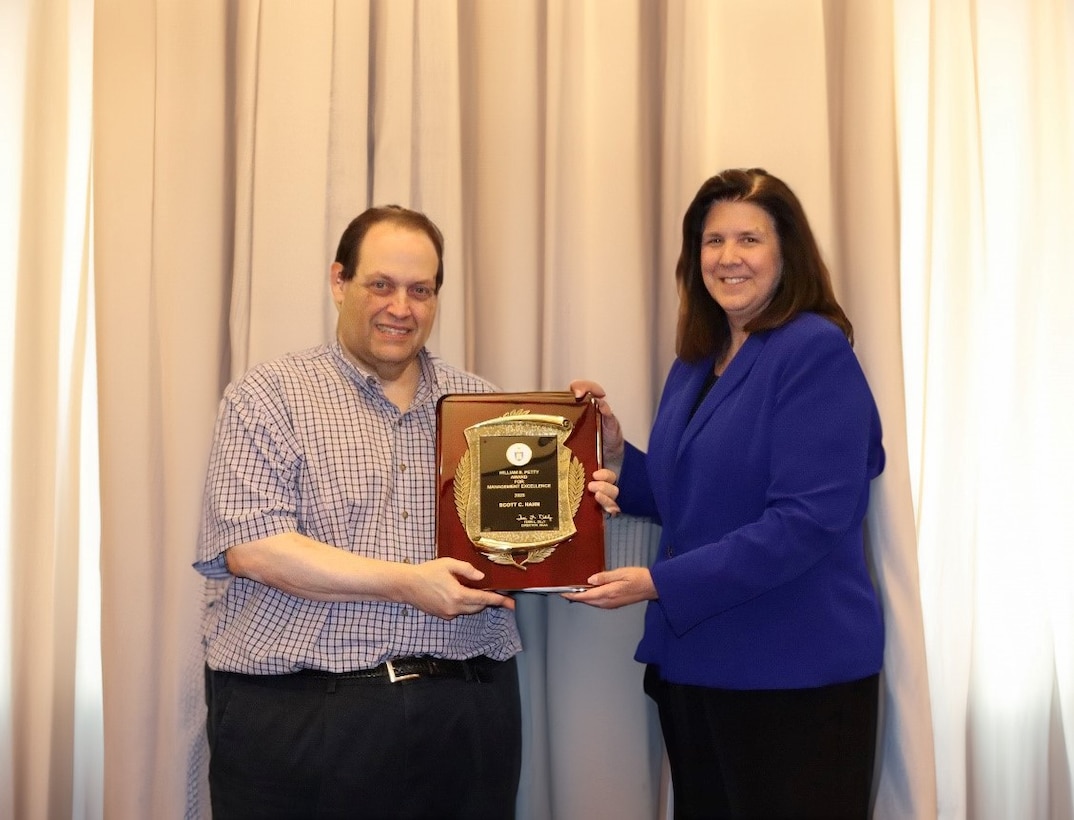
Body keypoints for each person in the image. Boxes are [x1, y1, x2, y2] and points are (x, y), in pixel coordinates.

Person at [567, 168, 886, 819]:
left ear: (786, 253)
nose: (728, 257)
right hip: (698, 667)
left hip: (792, 675)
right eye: (713, 241)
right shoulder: (697, 357)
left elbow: (805, 522)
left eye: (749, 239)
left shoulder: (814, 350)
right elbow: (695, 495)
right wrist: (614, 457)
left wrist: (659, 582)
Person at [195, 205, 523, 819]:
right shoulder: (267, 396)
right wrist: (408, 583)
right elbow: (254, 549)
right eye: (381, 284)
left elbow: (512, 544)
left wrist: (574, 498)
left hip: (464, 716)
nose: (402, 307)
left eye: (420, 290)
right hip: (299, 718)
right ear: (339, 282)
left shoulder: (485, 405)